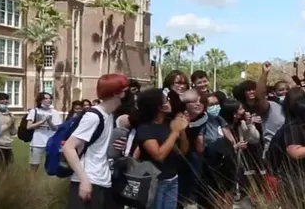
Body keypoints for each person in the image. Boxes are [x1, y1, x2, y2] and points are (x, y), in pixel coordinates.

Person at [62, 73, 130, 209]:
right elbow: (69, 147)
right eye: (126, 91)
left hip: (103, 180)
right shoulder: (93, 116)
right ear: (116, 93)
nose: (129, 95)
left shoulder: (109, 116)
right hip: (89, 181)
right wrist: (84, 180)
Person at [133, 88, 189, 209]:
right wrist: (175, 132)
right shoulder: (145, 128)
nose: (169, 101)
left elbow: (183, 151)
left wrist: (182, 130)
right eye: (166, 100)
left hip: (172, 178)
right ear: (159, 107)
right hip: (155, 182)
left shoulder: (168, 123)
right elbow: (159, 155)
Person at [26, 92, 61, 173]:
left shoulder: (54, 112)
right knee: (34, 166)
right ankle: (32, 181)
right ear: (40, 100)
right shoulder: (34, 111)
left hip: (50, 142)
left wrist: (49, 122)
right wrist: (42, 121)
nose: (49, 100)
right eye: (46, 98)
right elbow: (29, 126)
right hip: (37, 142)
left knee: (51, 165)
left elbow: (55, 128)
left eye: (50, 98)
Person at [0, 93, 16, 166]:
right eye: (2, 99)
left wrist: (13, 124)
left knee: (5, 170)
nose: (5, 101)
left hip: (7, 145)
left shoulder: (9, 114)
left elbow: (13, 133)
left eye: (6, 99)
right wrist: (8, 124)